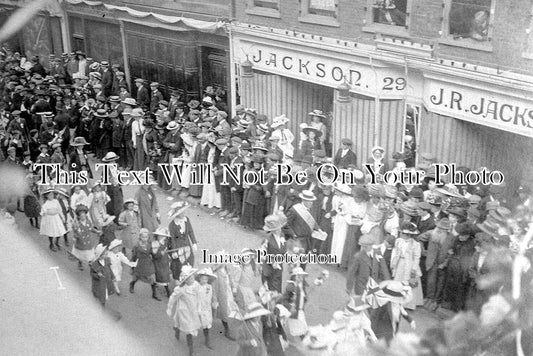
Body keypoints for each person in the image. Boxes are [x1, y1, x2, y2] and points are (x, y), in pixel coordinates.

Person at [167, 265, 201, 356]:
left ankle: (177, 328)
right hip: (184, 311)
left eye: (193, 277)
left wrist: (200, 307)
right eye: (190, 278)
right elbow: (173, 298)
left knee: (190, 326)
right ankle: (191, 350)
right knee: (189, 330)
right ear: (185, 280)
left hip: (193, 310)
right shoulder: (181, 289)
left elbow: (199, 296)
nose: (193, 279)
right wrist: (169, 308)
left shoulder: (196, 285)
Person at [390, 221, 423, 310]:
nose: (400, 234)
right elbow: (396, 253)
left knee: (408, 282)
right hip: (400, 263)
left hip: (410, 265)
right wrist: (393, 264)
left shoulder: (416, 244)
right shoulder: (398, 241)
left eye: (402, 233)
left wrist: (414, 269)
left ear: (407, 234)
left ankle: (407, 303)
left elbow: (417, 257)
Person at [167, 201, 197, 281]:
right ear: (177, 214)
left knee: (190, 260)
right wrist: (174, 251)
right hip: (178, 246)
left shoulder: (186, 220)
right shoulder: (172, 225)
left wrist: (194, 242)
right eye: (181, 212)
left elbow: (190, 231)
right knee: (179, 263)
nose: (184, 214)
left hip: (187, 244)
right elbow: (172, 238)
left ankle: (188, 276)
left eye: (184, 212)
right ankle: (179, 279)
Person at [130, 228, 159, 300]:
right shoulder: (136, 246)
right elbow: (133, 256)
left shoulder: (150, 245)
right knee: (136, 277)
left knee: (152, 279)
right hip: (140, 264)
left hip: (148, 264)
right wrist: (132, 265)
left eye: (146, 237)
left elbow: (153, 254)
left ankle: (154, 294)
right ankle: (132, 284)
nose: (145, 238)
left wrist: (157, 252)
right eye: (143, 237)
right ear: (140, 237)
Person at [261, 214, 288, 293]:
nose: (279, 230)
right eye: (277, 228)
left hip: (279, 268)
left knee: (277, 289)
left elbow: (283, 249)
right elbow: (262, 255)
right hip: (269, 269)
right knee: (270, 291)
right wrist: (272, 261)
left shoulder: (282, 236)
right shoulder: (267, 240)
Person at [195, 268, 218, 350]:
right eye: (203, 279)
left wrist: (214, 302)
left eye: (206, 279)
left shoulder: (209, 287)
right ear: (199, 279)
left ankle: (207, 340)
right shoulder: (197, 287)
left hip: (207, 309)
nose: (204, 281)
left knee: (206, 325)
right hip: (198, 308)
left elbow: (213, 296)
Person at [89, 244, 117, 308]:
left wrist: (113, 277)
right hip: (99, 284)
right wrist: (97, 275)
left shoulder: (107, 260)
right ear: (100, 255)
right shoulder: (95, 264)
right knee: (101, 297)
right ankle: (101, 308)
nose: (106, 255)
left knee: (105, 295)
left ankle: (101, 305)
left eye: (106, 254)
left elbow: (109, 269)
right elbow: (92, 274)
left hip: (106, 282)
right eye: (105, 254)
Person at [40, 188, 67, 252]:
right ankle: (51, 244)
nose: (51, 196)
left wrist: (63, 217)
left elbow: (60, 210)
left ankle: (56, 242)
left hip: (56, 218)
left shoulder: (56, 201)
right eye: (49, 195)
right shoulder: (45, 204)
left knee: (60, 231)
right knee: (51, 232)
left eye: (52, 194)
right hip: (50, 219)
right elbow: (42, 213)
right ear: (46, 196)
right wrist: (43, 211)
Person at [151, 227, 172, 299]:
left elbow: (169, 250)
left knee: (165, 277)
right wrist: (160, 254)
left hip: (165, 263)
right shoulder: (155, 244)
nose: (162, 237)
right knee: (157, 277)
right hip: (158, 263)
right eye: (160, 235)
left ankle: (167, 291)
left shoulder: (166, 242)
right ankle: (154, 293)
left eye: (163, 236)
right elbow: (154, 255)